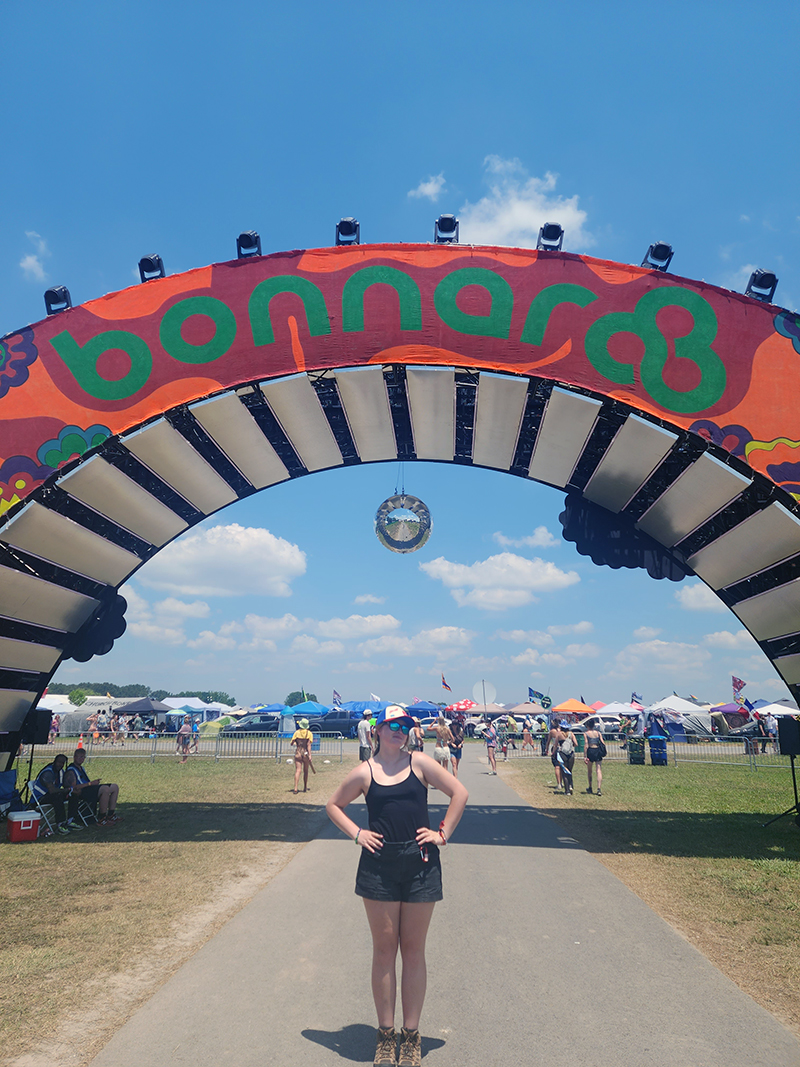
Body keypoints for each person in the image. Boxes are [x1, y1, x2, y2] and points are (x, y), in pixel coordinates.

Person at [326, 705, 468, 1067]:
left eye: (404, 725)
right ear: (377, 730)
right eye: (392, 725)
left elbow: (459, 793)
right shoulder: (365, 772)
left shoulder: (419, 763)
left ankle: (412, 1035)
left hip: (420, 863)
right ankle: (385, 1035)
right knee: (385, 950)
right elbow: (333, 805)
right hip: (379, 867)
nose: (399, 731)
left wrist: (443, 834)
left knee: (414, 950)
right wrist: (357, 833)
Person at [65, 748, 121, 824]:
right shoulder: (71, 770)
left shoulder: (81, 768)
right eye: (79, 757)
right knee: (105, 789)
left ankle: (111, 814)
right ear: (74, 757)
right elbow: (75, 788)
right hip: (82, 791)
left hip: (89, 788)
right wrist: (90, 784)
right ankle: (102, 817)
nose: (81, 759)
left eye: (83, 757)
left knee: (114, 787)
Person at [30, 754, 83, 834]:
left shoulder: (60, 772)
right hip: (40, 798)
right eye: (59, 762)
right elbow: (52, 790)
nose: (60, 765)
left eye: (62, 763)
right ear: (54, 761)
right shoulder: (47, 773)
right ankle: (60, 824)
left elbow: (65, 785)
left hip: (52, 795)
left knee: (73, 795)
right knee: (58, 796)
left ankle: (70, 820)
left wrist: (72, 790)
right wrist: (67, 790)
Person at [553, 720, 577, 795]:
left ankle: (567, 791)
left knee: (564, 772)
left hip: (562, 754)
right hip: (571, 754)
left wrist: (553, 753)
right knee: (570, 770)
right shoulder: (571, 734)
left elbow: (555, 745)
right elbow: (576, 744)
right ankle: (571, 786)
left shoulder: (559, 734)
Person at [291, 717, 314, 793]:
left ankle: (295, 788)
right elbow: (308, 745)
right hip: (305, 754)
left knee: (298, 770)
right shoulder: (309, 733)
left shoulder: (297, 732)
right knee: (306, 771)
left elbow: (292, 743)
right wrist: (310, 755)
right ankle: (305, 787)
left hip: (298, 752)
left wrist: (296, 742)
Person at [583, 718, 605, 796]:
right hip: (597, 751)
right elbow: (603, 743)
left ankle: (590, 786)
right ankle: (599, 789)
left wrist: (585, 756)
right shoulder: (598, 733)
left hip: (590, 751)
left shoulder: (586, 734)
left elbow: (586, 745)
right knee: (598, 770)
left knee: (590, 771)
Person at [546, 719, 562, 790]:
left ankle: (559, 783)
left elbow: (548, 741)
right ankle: (563, 782)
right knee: (562, 766)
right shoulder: (562, 731)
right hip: (563, 748)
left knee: (557, 767)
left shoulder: (552, 731)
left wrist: (546, 749)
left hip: (555, 749)